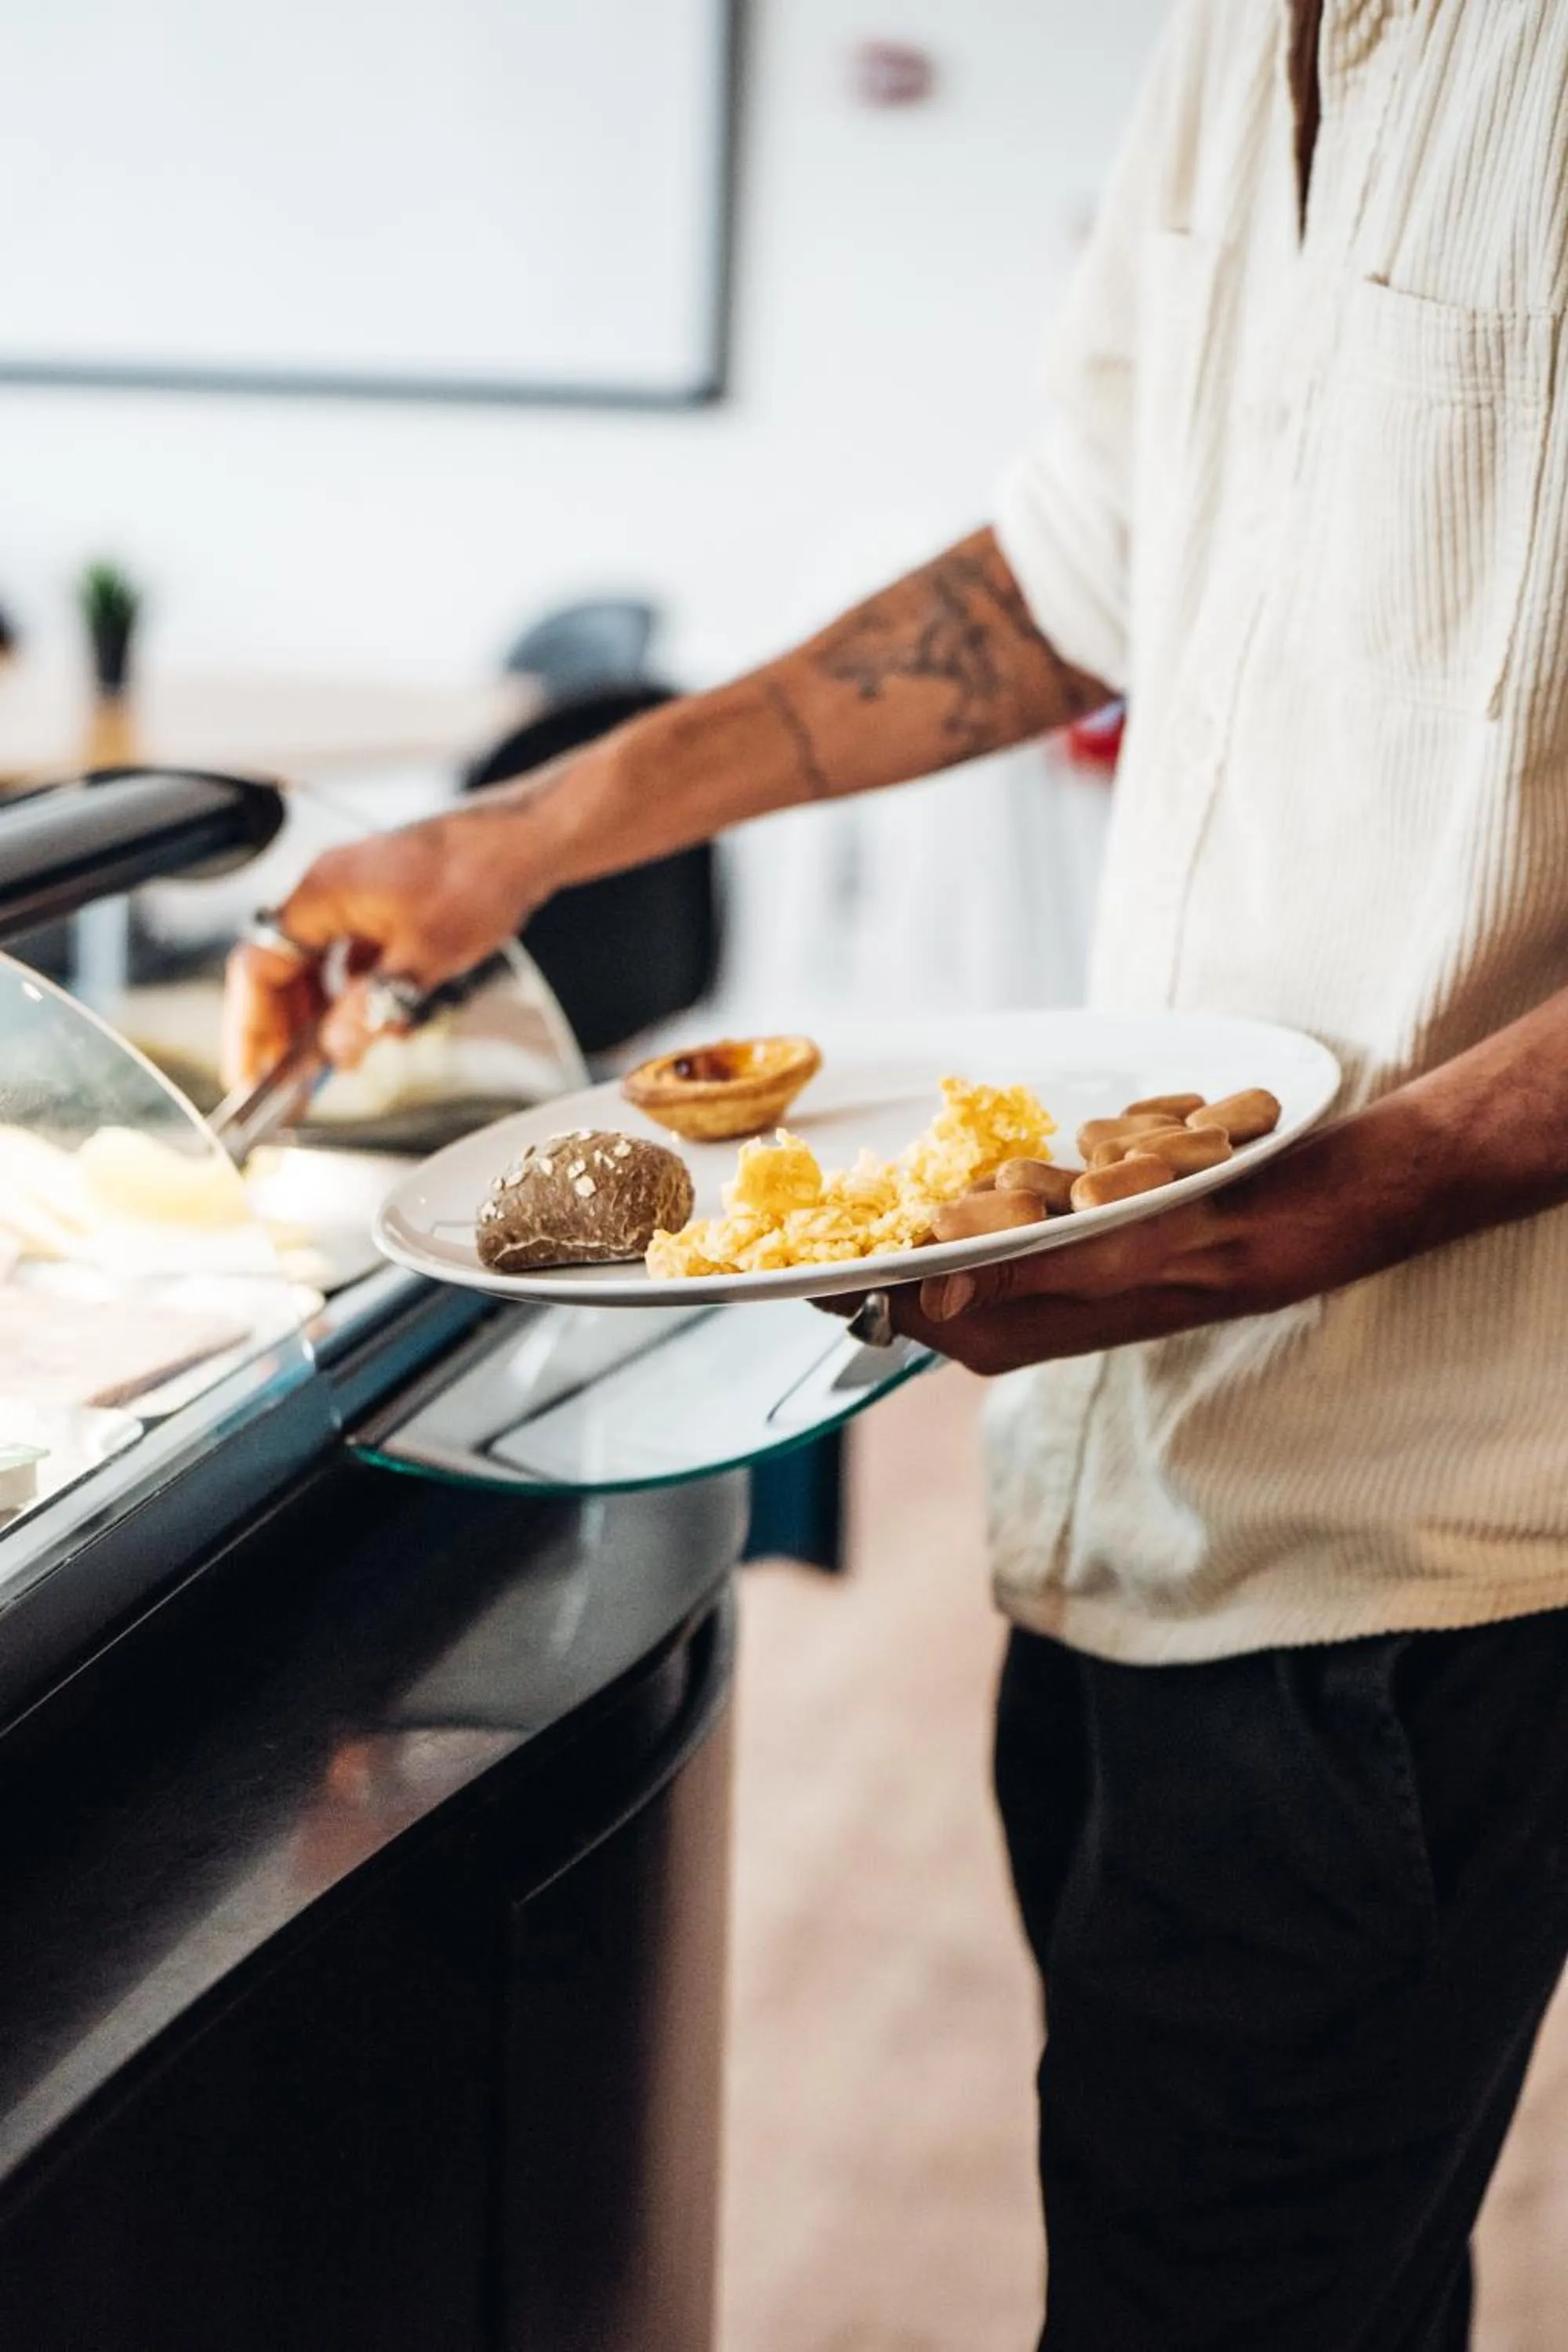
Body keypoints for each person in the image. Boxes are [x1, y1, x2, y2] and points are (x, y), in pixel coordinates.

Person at [226, 5, 1568, 2343]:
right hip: (1127, 1463)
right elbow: (1072, 576)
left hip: (1432, 1503)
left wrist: (1330, 1208)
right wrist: (520, 833)